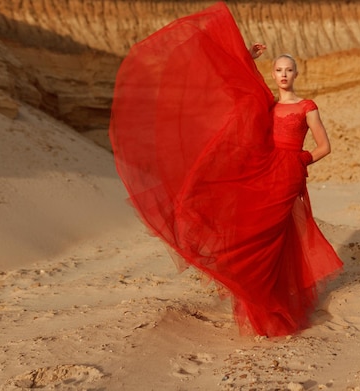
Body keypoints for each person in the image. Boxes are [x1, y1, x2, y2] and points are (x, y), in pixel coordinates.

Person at [109, 2, 342, 337]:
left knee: (271, 237)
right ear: (274, 74)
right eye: (278, 70)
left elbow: (324, 147)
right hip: (265, 170)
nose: (284, 75)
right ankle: (264, 303)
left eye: (289, 70)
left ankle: (272, 306)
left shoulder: (307, 107)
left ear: (296, 74)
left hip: (289, 172)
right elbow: (237, 85)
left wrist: (299, 160)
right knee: (256, 234)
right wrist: (246, 56)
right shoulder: (269, 103)